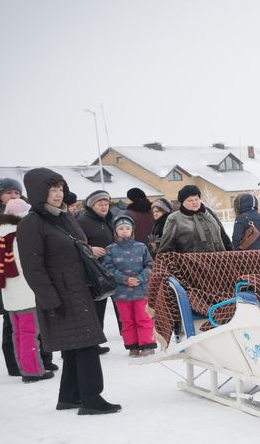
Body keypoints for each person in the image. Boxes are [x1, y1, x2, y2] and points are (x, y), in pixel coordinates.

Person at [16, 168, 120, 415]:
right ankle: (92, 399)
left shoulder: (64, 217)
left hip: (78, 289)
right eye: (52, 190)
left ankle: (69, 396)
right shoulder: (31, 224)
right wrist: (50, 300)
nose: (57, 194)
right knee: (86, 345)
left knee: (76, 345)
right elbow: (33, 268)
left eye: (60, 188)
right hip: (60, 296)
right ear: (38, 193)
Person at [0, 177, 41, 375]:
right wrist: (6, 240)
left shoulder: (28, 211)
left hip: (21, 274)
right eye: (9, 192)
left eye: (16, 192)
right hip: (6, 271)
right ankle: (16, 364)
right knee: (13, 321)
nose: (13, 195)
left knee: (32, 322)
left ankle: (40, 359)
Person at [0, 198, 53, 382]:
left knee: (18, 333)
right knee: (30, 333)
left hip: (10, 293)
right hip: (26, 292)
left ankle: (24, 366)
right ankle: (33, 371)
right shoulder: (21, 236)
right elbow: (31, 264)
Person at [102, 215, 156, 356]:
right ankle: (132, 345)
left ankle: (147, 345)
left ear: (132, 230)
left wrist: (140, 278)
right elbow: (108, 269)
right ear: (115, 231)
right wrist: (124, 279)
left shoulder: (141, 247)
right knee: (127, 321)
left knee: (143, 318)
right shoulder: (111, 249)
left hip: (141, 291)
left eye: (127, 228)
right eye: (121, 228)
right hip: (121, 293)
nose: (124, 230)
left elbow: (149, 265)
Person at [78, 190, 119, 353]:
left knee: (101, 308)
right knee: (94, 309)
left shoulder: (108, 220)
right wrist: (90, 249)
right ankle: (91, 343)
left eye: (106, 204)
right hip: (93, 273)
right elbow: (74, 243)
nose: (104, 207)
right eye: (100, 204)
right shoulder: (82, 221)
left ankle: (96, 342)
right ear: (91, 205)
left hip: (109, 271)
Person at [156, 185, 230, 254]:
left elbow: (223, 237)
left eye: (196, 199)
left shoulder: (209, 213)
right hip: (191, 265)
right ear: (182, 202)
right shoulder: (174, 218)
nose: (195, 202)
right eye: (190, 200)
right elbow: (166, 248)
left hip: (218, 263)